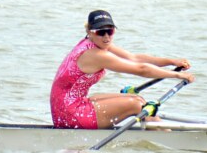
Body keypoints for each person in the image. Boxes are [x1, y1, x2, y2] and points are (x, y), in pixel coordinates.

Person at [50, 9, 195, 129]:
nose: (106, 36)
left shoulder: (96, 43)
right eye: (101, 32)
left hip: (72, 104)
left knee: (137, 98)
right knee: (136, 104)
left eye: (110, 31)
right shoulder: (96, 54)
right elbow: (141, 69)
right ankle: (167, 135)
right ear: (90, 31)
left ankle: (159, 130)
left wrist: (171, 61)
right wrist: (177, 76)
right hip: (69, 114)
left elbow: (134, 58)